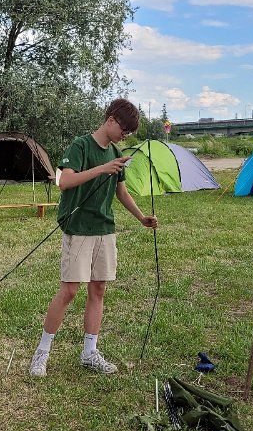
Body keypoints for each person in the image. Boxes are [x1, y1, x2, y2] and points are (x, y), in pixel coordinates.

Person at [29, 98, 158, 377]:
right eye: (124, 130)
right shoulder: (80, 146)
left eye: (129, 133)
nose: (125, 136)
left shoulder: (116, 152)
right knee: (69, 291)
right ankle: (42, 352)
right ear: (110, 120)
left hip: (104, 228)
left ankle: (89, 352)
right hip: (78, 227)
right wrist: (102, 168)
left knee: (98, 289)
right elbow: (64, 182)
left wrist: (141, 217)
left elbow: (121, 191)